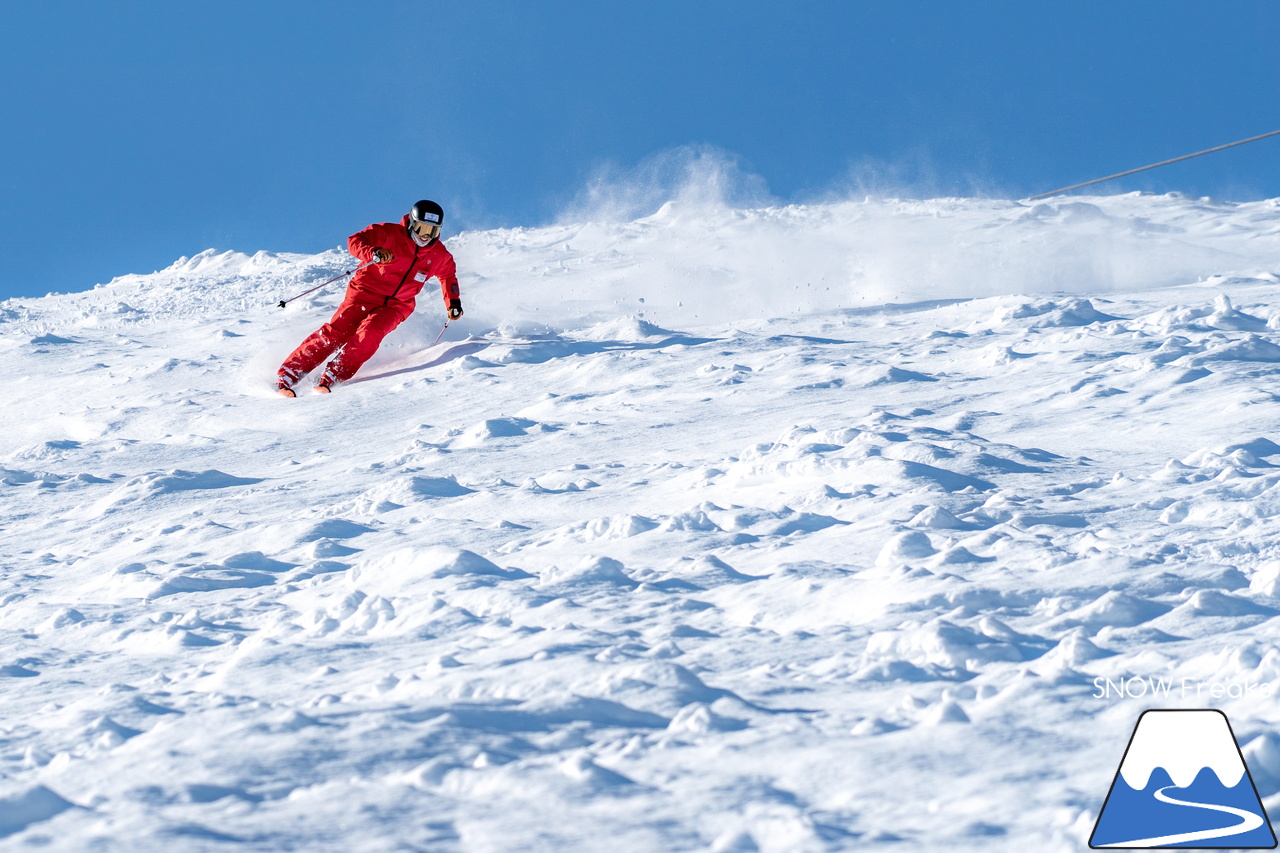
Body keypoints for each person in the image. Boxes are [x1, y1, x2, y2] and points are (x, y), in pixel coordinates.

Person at [276, 200, 462, 396]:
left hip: (397, 305)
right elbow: (355, 241)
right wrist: (373, 252)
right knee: (338, 331)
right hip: (364, 293)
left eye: (431, 231)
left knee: (370, 334)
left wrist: (453, 302)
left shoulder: (439, 255)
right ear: (411, 223)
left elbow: (448, 277)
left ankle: (334, 374)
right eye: (421, 228)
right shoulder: (387, 233)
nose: (425, 235)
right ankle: (290, 372)